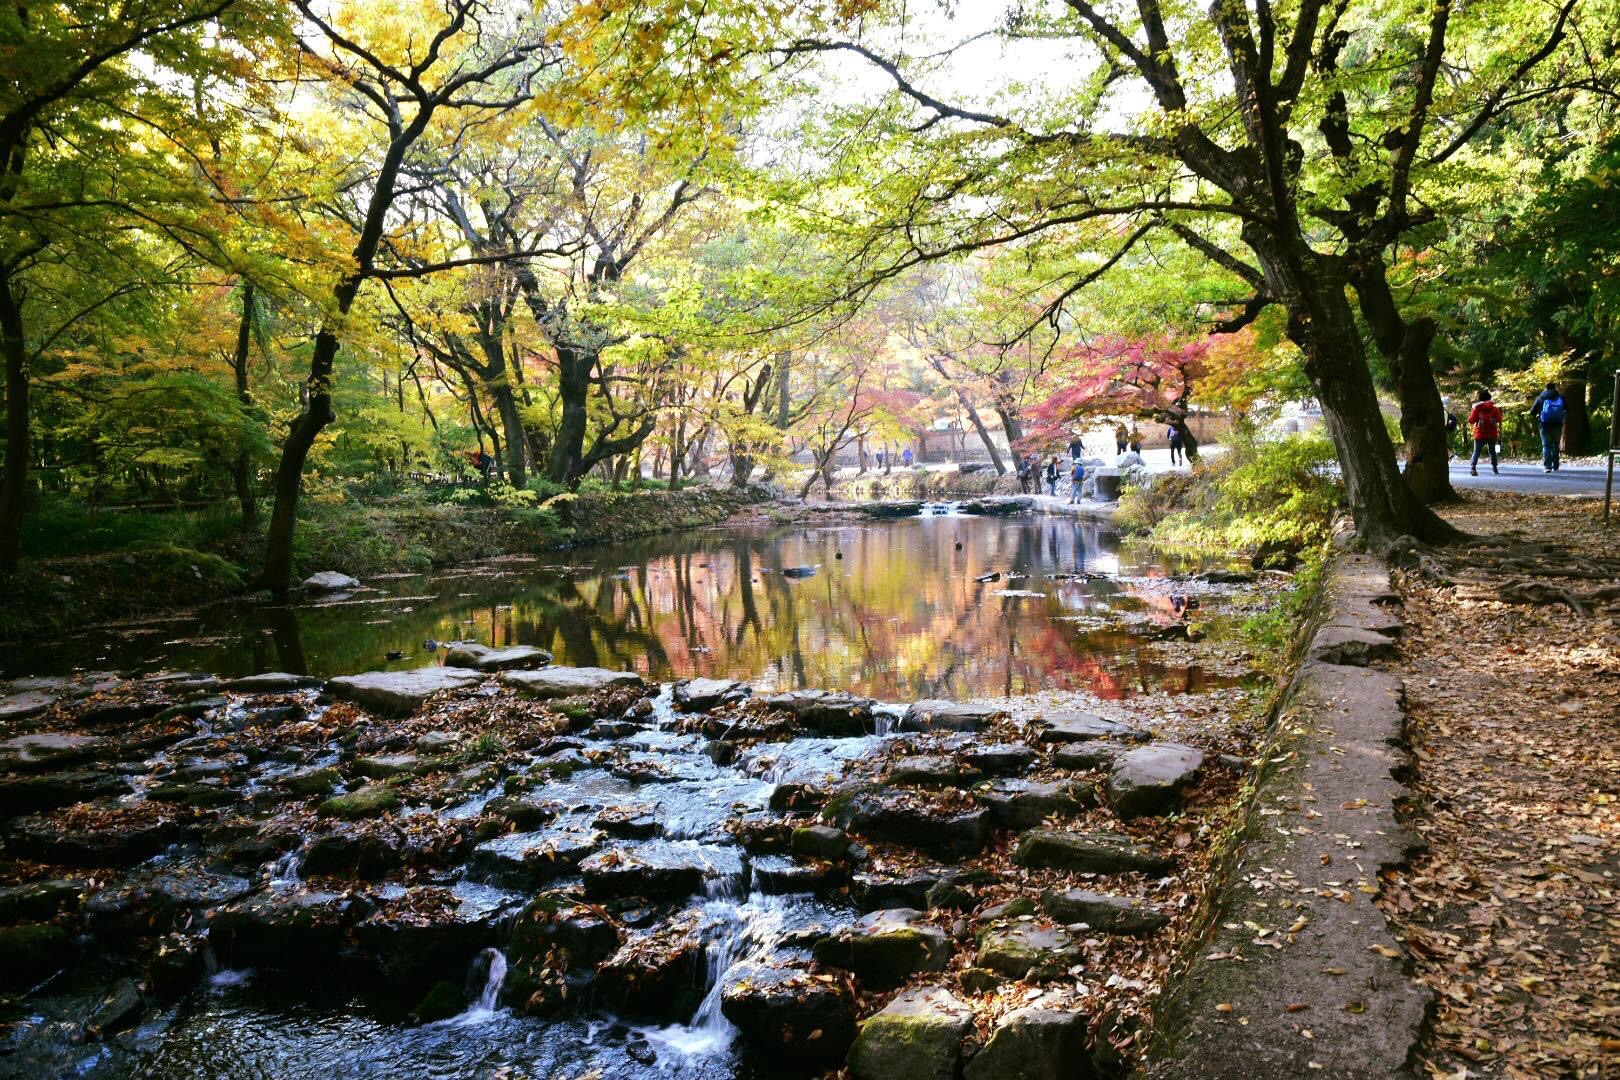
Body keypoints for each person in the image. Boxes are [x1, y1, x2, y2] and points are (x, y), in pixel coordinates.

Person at [1529, 382, 1567, 472]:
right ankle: (1556, 466)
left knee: (1546, 446)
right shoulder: (1561, 398)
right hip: (1557, 424)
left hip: (1544, 425)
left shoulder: (1541, 398)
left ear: (1546, 388)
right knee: (1555, 446)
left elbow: (1532, 412)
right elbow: (1567, 409)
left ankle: (1547, 467)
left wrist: (1538, 414)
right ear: (1555, 388)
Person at [1467, 388, 1502, 476]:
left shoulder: (1477, 408)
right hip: (1492, 433)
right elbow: (1499, 419)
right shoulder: (1494, 408)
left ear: (1480, 399)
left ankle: (1473, 467)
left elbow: (1471, 420)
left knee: (1476, 451)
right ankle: (1495, 468)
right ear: (1489, 398)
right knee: (1492, 451)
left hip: (1479, 434)